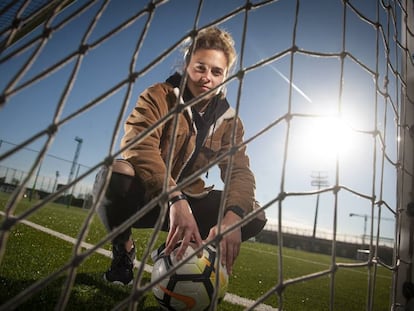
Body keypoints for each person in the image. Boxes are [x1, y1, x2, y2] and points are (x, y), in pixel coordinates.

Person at [93, 26, 267, 286]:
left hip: (191, 203)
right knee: (115, 174)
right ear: (187, 65)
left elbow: (239, 171)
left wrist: (232, 218)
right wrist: (175, 197)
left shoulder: (230, 121)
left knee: (252, 213)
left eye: (216, 71)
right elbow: (138, 145)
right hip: (148, 198)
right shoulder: (159, 96)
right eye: (200, 67)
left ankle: (176, 251)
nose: (206, 77)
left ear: (225, 76)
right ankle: (124, 251)